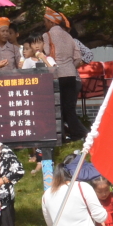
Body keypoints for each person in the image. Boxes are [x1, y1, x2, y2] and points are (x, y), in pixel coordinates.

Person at [44, 9, 90, 139]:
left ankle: (63, 135)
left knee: (56, 107)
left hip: (56, 75)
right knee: (69, 108)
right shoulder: (69, 36)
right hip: (70, 75)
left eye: (45, 22)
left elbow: (47, 53)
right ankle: (78, 133)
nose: (44, 24)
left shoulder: (46, 36)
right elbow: (78, 56)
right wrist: (70, 66)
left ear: (50, 22)